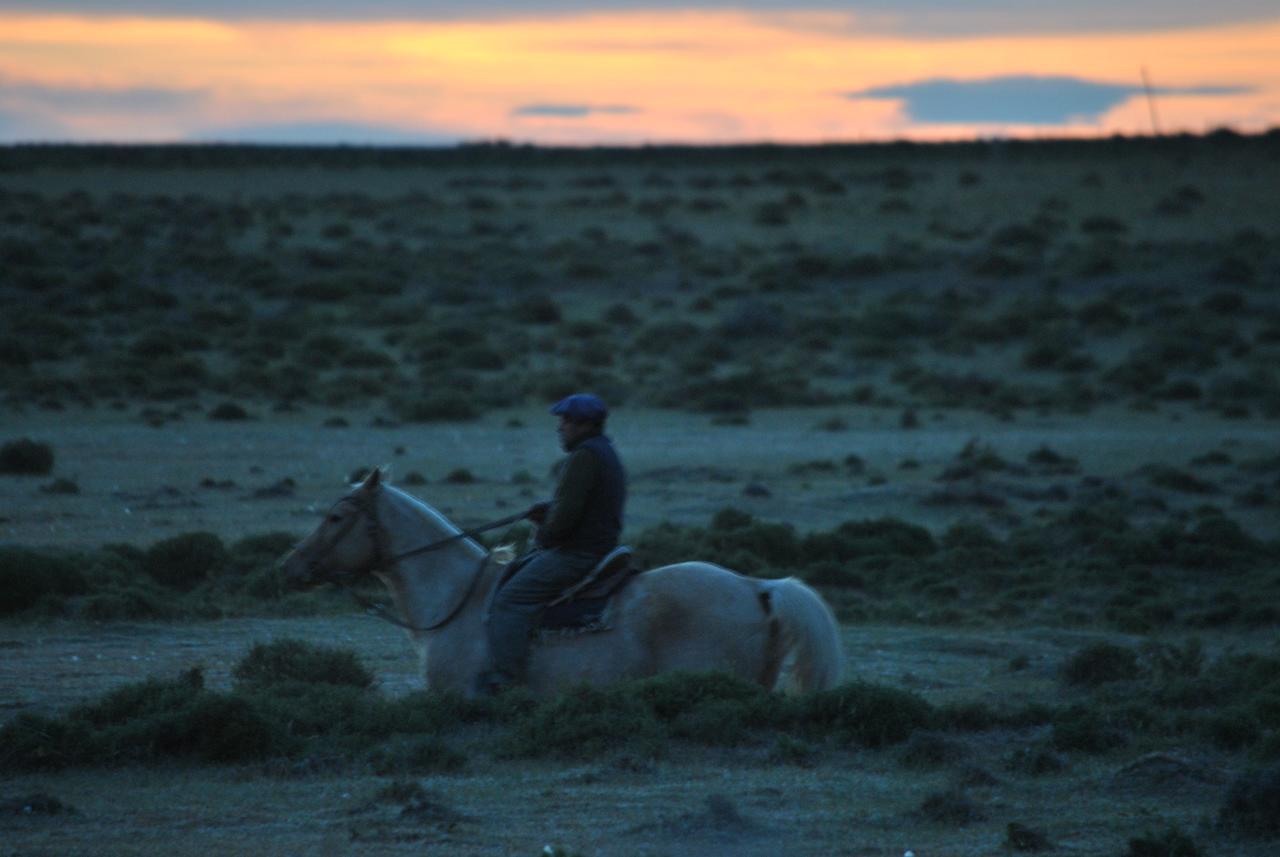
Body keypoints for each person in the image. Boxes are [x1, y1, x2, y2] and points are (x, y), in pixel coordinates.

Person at [476, 393, 626, 694]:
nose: (560, 427)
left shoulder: (583, 457)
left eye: (566, 421)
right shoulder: (604, 451)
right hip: (598, 546)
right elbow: (580, 503)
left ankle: (505, 683)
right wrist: (550, 508)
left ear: (584, 424)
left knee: (510, 600)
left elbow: (567, 516)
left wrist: (544, 533)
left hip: (578, 552)